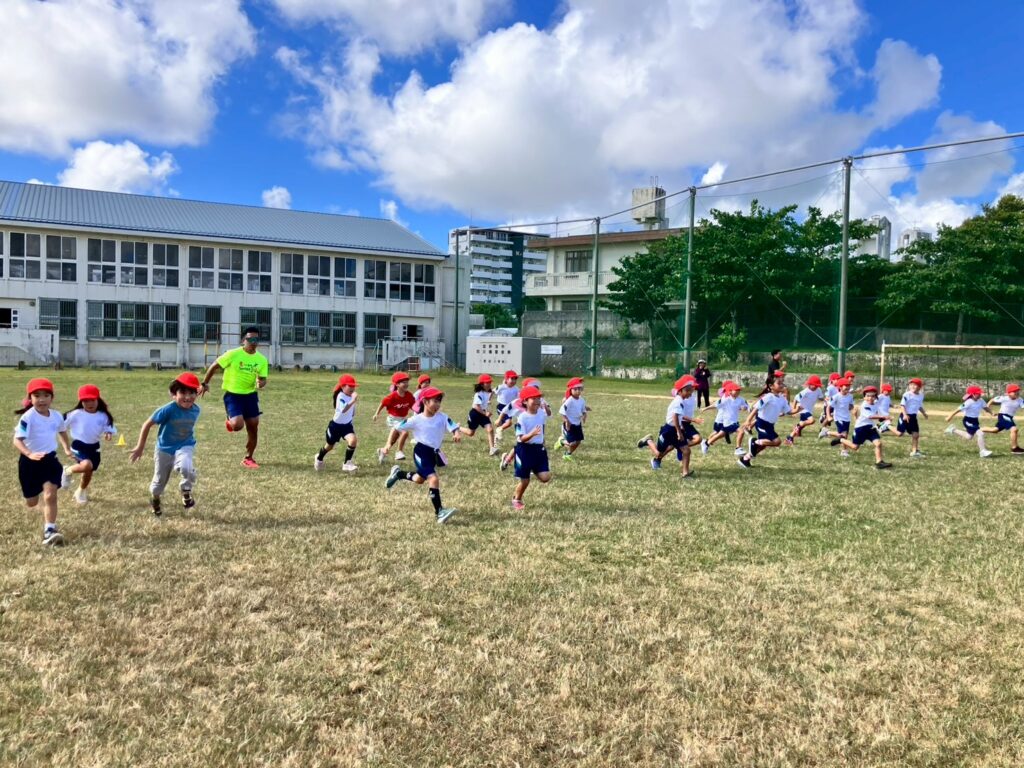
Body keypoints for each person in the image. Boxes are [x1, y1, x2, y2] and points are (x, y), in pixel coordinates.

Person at [385, 386, 461, 524]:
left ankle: (399, 474)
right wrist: (388, 445)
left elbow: (453, 426)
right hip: (421, 452)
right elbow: (397, 427)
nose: (437, 405)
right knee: (433, 479)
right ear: (425, 402)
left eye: (439, 401)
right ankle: (439, 512)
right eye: (435, 401)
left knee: (419, 479)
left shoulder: (442, 417)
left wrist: (456, 433)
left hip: (433, 454)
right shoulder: (416, 419)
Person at [129, 372, 201, 516]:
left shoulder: (196, 409)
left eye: (191, 393)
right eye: (183, 393)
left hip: (185, 445)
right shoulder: (168, 409)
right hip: (164, 449)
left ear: (197, 393)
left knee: (186, 468)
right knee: (159, 481)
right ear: (173, 394)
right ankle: (155, 498)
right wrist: (140, 447)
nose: (187, 397)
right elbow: (147, 424)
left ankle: (186, 491)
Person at [13, 378, 72, 546]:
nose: (42, 399)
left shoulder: (56, 416)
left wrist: (67, 449)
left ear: (52, 398)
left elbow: (62, 432)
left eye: (46, 395)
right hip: (29, 462)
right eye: (37, 395)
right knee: (32, 502)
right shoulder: (28, 417)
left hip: (49, 460)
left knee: (50, 495)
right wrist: (29, 454)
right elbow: (17, 440)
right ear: (30, 398)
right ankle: (33, 495)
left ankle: (50, 530)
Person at [199, 326, 268, 469]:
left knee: (253, 425)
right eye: (250, 339)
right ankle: (230, 420)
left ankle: (249, 458)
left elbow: (263, 379)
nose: (253, 342)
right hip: (233, 395)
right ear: (243, 340)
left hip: (250, 396)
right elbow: (214, 366)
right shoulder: (232, 354)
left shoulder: (261, 359)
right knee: (237, 426)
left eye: (256, 339)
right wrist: (205, 383)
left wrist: (261, 383)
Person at [636, 375, 702, 478]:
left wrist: (681, 428)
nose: (690, 393)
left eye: (691, 391)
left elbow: (679, 417)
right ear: (680, 391)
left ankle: (685, 473)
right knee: (659, 454)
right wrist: (679, 432)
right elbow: (675, 417)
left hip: (676, 429)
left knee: (686, 450)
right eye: (688, 391)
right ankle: (648, 441)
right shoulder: (678, 402)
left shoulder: (681, 400)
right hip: (668, 431)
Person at [62, 384, 117, 503]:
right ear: (81, 402)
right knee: (87, 465)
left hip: (94, 447)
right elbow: (60, 425)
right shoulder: (75, 413)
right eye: (85, 401)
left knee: (88, 471)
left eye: (92, 400)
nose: (89, 403)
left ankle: (81, 491)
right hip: (79, 445)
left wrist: (108, 433)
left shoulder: (103, 415)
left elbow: (108, 426)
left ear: (97, 399)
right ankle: (67, 470)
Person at [511, 385, 553, 509]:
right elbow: (521, 438)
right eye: (533, 398)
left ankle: (534, 468)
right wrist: (532, 434)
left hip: (538, 449)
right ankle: (516, 499)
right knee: (525, 481)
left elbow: (548, 414)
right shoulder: (522, 418)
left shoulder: (540, 413)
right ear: (525, 401)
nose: (537, 401)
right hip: (524, 450)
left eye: (538, 398)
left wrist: (546, 407)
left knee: (545, 477)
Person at [736, 372, 789, 469]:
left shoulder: (782, 399)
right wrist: (748, 420)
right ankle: (754, 442)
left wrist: (799, 409)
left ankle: (744, 460)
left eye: (782, 383)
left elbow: (789, 411)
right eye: (779, 383)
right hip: (762, 423)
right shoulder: (768, 396)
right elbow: (756, 408)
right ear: (771, 386)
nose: (782, 385)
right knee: (777, 442)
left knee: (763, 445)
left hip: (770, 425)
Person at [839, 386, 893, 469]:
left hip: (870, 427)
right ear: (864, 397)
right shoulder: (864, 405)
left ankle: (879, 462)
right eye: (867, 396)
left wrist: (884, 419)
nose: (870, 398)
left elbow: (877, 414)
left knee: (878, 443)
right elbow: (870, 416)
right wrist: (884, 417)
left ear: (876, 397)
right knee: (855, 447)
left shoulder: (876, 404)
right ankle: (841, 440)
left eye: (872, 396)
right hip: (861, 428)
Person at [315, 374, 359, 472]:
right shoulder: (340, 396)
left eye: (354, 386)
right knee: (329, 446)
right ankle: (319, 458)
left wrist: (353, 406)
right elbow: (343, 409)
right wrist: (353, 400)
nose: (352, 388)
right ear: (343, 386)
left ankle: (347, 464)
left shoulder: (351, 396)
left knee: (353, 440)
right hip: (335, 426)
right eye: (350, 386)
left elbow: (351, 411)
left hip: (347, 426)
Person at [374, 372, 415, 463]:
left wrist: (421, 413)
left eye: (407, 382)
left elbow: (414, 406)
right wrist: (376, 413)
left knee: (394, 439)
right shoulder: (392, 396)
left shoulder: (409, 395)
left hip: (402, 419)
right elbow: (383, 403)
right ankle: (399, 452)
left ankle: (383, 451)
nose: (406, 384)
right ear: (397, 384)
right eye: (403, 382)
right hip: (393, 419)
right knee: (404, 433)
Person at [945, 385, 994, 457]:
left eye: (980, 393)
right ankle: (982, 451)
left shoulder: (981, 400)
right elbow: (958, 409)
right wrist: (950, 417)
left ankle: (952, 430)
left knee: (969, 436)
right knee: (980, 433)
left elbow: (986, 408)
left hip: (975, 420)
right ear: (973, 394)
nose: (980, 394)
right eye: (978, 393)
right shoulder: (968, 402)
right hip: (968, 420)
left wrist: (992, 413)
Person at [700, 380, 747, 455]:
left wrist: (744, 408)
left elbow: (746, 406)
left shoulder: (741, 399)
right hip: (728, 422)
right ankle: (738, 449)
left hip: (734, 421)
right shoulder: (725, 399)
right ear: (730, 391)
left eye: (739, 390)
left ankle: (706, 443)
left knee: (719, 434)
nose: (738, 391)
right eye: (736, 390)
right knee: (741, 431)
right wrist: (705, 408)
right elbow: (715, 405)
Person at [460, 373, 499, 456]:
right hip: (475, 414)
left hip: (483, 414)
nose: (489, 384)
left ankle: (492, 449)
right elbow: (476, 406)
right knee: (471, 433)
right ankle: (458, 428)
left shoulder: (488, 392)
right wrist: (485, 413)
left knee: (490, 429)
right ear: (482, 384)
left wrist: (488, 404)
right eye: (487, 383)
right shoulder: (478, 394)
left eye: (490, 382)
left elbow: (491, 393)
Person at [890, 377, 928, 457]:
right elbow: (902, 405)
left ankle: (914, 452)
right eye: (911, 385)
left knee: (916, 435)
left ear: (919, 387)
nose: (912, 386)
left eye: (915, 385)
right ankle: (886, 425)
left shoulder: (921, 396)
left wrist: (924, 413)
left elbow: (919, 406)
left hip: (913, 417)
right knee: (899, 434)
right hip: (905, 415)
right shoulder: (907, 394)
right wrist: (905, 414)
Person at [982, 383, 1024, 454]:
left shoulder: (1020, 400)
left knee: (995, 430)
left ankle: (978, 429)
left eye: (1017, 391)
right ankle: (1014, 448)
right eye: (1014, 391)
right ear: (1008, 393)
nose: (1017, 393)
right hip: (1003, 415)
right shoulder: (1004, 398)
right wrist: (987, 407)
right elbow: (992, 400)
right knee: (1014, 429)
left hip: (1009, 417)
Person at [819, 377, 854, 456]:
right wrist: (828, 416)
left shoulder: (850, 396)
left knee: (843, 435)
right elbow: (828, 406)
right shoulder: (836, 397)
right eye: (846, 386)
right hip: (838, 417)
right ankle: (844, 451)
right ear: (840, 387)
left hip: (847, 418)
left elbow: (851, 405)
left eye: (849, 385)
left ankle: (827, 433)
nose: (848, 387)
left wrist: (851, 408)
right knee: (843, 435)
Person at [786, 375, 824, 445]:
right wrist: (794, 410)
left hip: (809, 410)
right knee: (811, 420)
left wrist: (824, 399)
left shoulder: (818, 390)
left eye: (817, 385)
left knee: (802, 424)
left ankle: (792, 435)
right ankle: (791, 435)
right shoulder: (805, 391)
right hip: (802, 409)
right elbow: (796, 398)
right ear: (810, 384)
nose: (816, 387)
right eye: (814, 385)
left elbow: (821, 398)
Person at [558, 377, 590, 460]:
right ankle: (561, 441)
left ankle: (567, 454)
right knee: (570, 443)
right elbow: (562, 411)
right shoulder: (569, 400)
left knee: (578, 441)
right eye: (575, 389)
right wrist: (566, 421)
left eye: (579, 389)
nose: (578, 391)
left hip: (577, 424)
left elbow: (582, 409)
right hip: (570, 425)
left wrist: (584, 414)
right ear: (570, 390)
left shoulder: (582, 400)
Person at [492, 370, 520, 442]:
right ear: (506, 379)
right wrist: (488, 400)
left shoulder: (516, 389)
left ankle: (497, 437)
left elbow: (519, 397)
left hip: (509, 408)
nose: (514, 381)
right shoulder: (501, 387)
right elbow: (492, 391)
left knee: (502, 423)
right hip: (501, 406)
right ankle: (499, 430)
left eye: (515, 379)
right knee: (508, 423)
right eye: (512, 379)